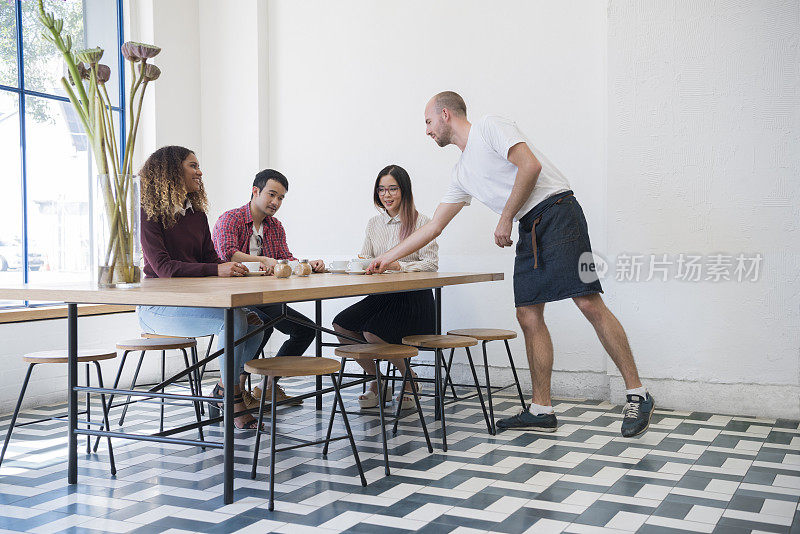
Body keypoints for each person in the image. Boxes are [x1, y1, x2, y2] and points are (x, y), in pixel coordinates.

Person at [367, 92, 654, 437]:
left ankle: (638, 393)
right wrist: (388, 256)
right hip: (528, 225)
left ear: (445, 115)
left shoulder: (490, 126)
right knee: (528, 314)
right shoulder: (461, 172)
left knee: (588, 301)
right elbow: (434, 226)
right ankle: (541, 408)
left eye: (428, 122)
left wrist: (504, 218)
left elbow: (529, 165)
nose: (426, 131)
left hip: (559, 211)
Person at [137, 145, 263, 430]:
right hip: (158, 308)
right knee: (234, 321)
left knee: (256, 322)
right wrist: (217, 269)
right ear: (171, 171)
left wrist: (233, 270)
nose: (200, 171)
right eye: (193, 165)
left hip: (196, 303)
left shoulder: (197, 214)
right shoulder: (149, 214)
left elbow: (209, 259)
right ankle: (232, 398)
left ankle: (221, 388)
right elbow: (164, 269)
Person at [212, 169, 324, 409]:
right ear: (255, 191)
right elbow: (227, 254)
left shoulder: (275, 226)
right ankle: (234, 389)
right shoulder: (230, 219)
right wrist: (264, 261)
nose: (276, 202)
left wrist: (308, 264)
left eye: (281, 198)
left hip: (267, 298)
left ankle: (267, 386)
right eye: (272, 195)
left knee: (306, 331)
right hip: (236, 299)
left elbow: (286, 258)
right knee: (261, 323)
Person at [333, 165, 438, 410]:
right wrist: (362, 263)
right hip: (381, 296)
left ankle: (409, 380)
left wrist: (399, 266)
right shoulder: (373, 224)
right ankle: (377, 381)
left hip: (414, 297)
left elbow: (432, 264)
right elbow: (366, 257)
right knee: (341, 325)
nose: (386, 195)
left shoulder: (422, 222)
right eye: (381, 190)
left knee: (372, 332)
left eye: (392, 189)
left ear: (404, 191)